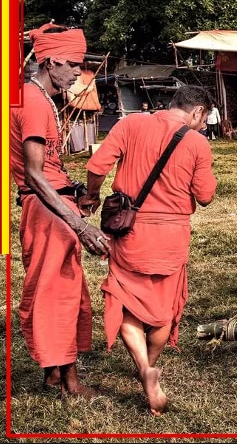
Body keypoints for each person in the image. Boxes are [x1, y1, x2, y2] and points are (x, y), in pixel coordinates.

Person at [83, 85, 216, 416]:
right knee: (162, 311)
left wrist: (92, 195)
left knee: (127, 303)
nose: (201, 125)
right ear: (198, 112)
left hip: (131, 234)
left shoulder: (130, 124)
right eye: (204, 119)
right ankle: (150, 366)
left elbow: (97, 166)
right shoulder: (197, 142)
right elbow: (205, 196)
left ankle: (143, 366)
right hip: (172, 237)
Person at [11, 23, 108, 398]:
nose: (78, 74)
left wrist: (76, 191)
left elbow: (47, 167)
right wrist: (81, 227)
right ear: (51, 63)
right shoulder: (34, 101)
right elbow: (35, 174)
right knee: (59, 295)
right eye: (73, 66)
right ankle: (69, 383)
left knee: (58, 290)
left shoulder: (33, 97)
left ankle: (55, 374)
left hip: (53, 205)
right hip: (48, 211)